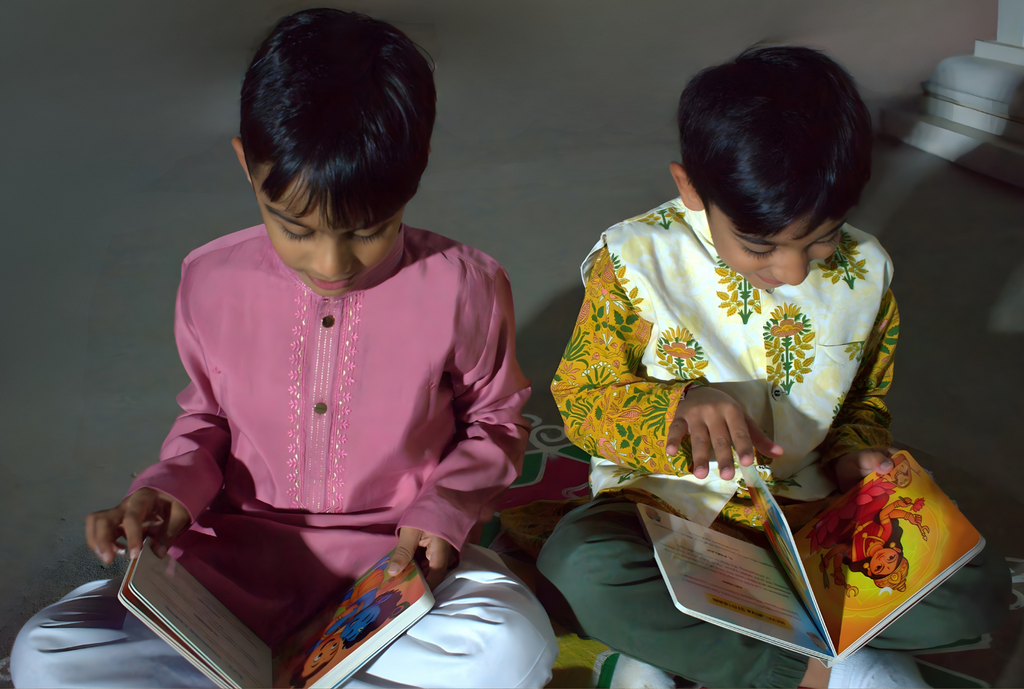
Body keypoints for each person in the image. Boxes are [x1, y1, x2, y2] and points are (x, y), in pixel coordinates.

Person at [11, 9, 557, 688]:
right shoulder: (210, 279)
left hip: (394, 568)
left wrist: (443, 508)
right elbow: (207, 418)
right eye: (295, 227)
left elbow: (496, 422)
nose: (332, 262)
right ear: (247, 164)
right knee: (49, 652)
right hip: (233, 568)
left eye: (370, 229)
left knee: (511, 643)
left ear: (412, 179)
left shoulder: (464, 284)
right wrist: (166, 489)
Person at [536, 45, 1011, 689]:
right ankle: (810, 668)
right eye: (759, 246)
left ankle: (699, 640)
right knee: (585, 565)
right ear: (691, 189)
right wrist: (676, 407)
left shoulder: (866, 272)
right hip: (671, 517)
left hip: (813, 517)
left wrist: (856, 456)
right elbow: (585, 399)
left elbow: (862, 402)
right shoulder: (635, 262)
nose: (792, 271)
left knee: (975, 586)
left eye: (821, 238)